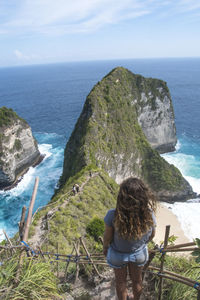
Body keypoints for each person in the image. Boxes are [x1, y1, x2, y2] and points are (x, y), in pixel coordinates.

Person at [103, 177, 157, 300]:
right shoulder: (148, 214)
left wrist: (105, 247)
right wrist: (142, 243)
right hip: (139, 254)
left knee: (120, 283)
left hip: (117, 254)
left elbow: (107, 237)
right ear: (143, 197)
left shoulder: (112, 214)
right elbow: (152, 234)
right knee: (137, 281)